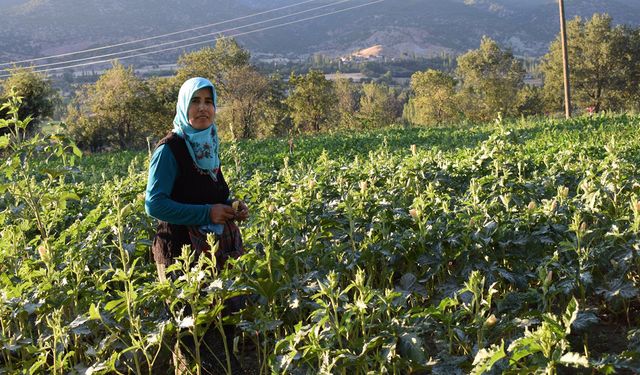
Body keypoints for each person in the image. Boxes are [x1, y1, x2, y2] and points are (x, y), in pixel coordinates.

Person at [145, 77, 249, 373]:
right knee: (197, 340)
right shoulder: (170, 150)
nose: (203, 108)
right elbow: (154, 204)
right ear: (183, 105)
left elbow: (214, 193)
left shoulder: (208, 145)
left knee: (221, 333)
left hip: (214, 254)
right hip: (181, 256)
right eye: (195, 101)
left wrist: (232, 206)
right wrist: (207, 213)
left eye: (208, 101)